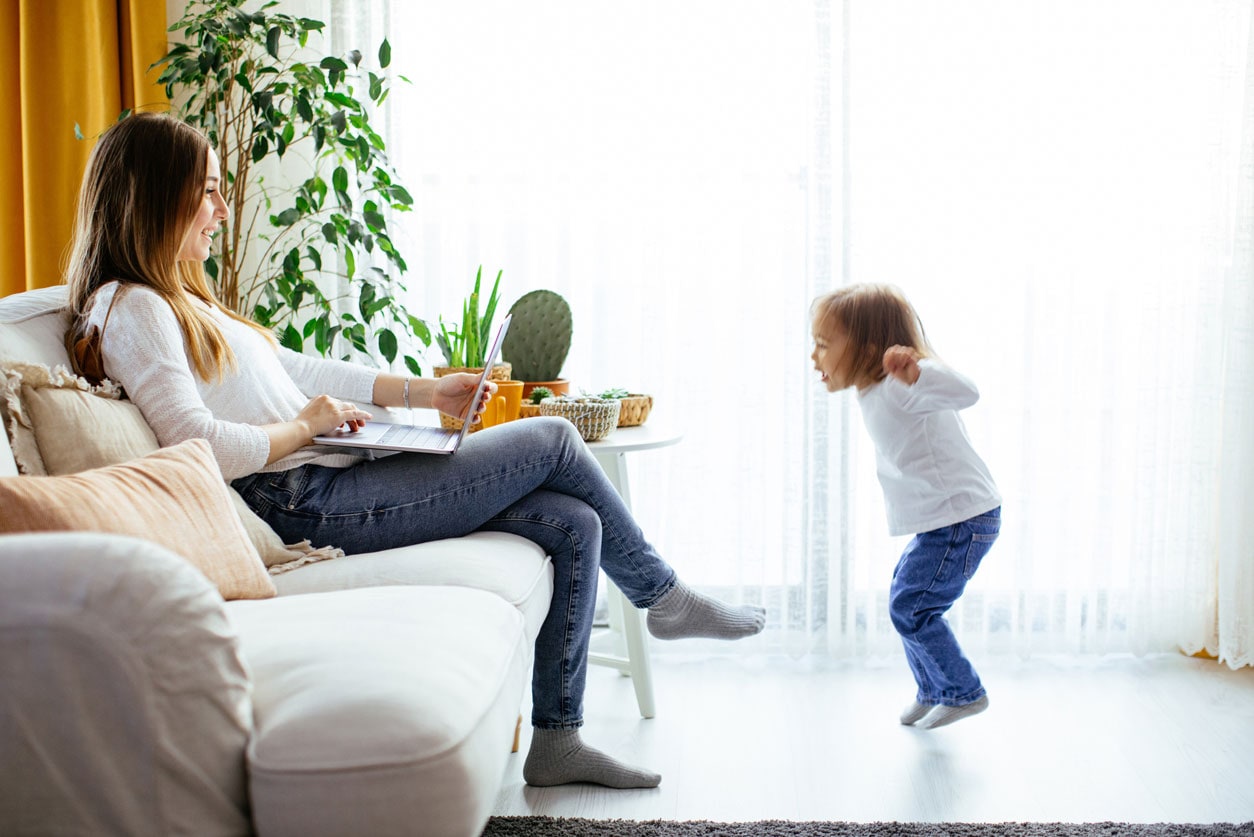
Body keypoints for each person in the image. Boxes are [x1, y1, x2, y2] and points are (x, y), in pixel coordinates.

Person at [64, 112, 765, 788]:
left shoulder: (179, 298)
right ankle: (661, 595)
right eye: (207, 190)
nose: (220, 207)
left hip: (322, 477)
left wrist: (428, 394)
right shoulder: (132, 309)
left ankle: (558, 741)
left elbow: (302, 372)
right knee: (553, 436)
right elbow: (199, 446)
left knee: (572, 522)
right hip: (300, 500)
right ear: (157, 199)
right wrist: (305, 429)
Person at [810, 283, 1001, 730]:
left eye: (823, 345)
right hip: (947, 520)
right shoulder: (873, 391)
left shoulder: (901, 385)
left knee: (911, 607)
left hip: (962, 517)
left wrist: (918, 373)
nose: (814, 358)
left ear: (870, 348)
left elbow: (967, 392)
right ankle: (933, 688)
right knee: (905, 600)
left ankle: (963, 691)